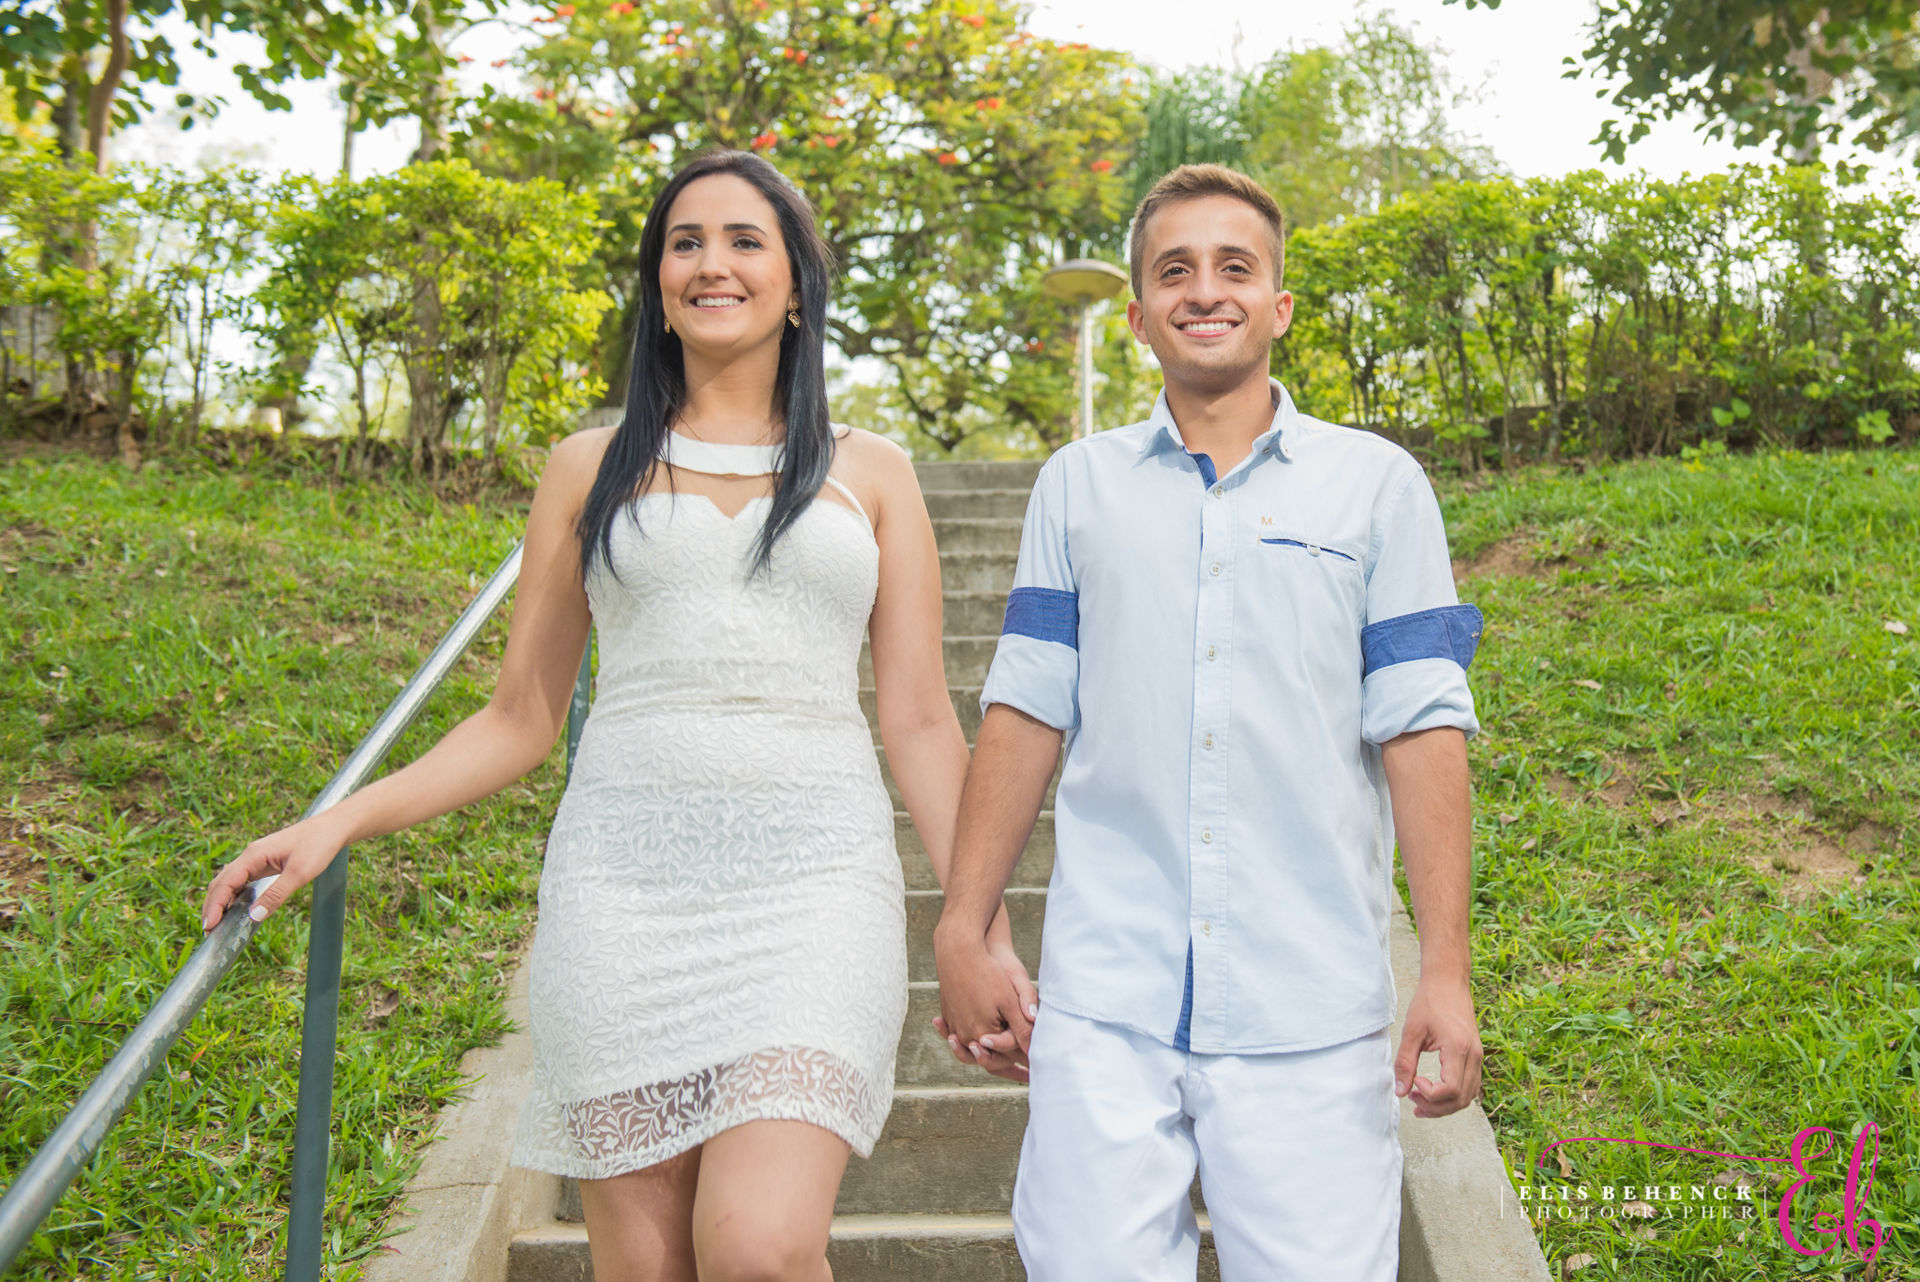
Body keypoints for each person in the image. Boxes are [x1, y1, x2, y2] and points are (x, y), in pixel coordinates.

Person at [200, 149, 1034, 1282]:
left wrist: (973, 925)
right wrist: (336, 821)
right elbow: (520, 716)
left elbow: (925, 722)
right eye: (684, 242)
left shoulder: (869, 473)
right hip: (623, 889)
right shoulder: (588, 466)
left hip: (813, 886)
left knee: (761, 1249)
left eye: (745, 240)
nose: (711, 263)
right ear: (657, 284)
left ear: (797, 281)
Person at [931, 163, 1486, 1280]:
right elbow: (1027, 707)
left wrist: (1446, 970)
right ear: (1138, 314)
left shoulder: (1378, 486)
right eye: (1174, 269)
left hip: (1310, 1006)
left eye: (1237, 266)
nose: (1205, 289)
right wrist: (962, 925)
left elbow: (1421, 725)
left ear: (1279, 304)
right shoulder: (1075, 487)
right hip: (1104, 1003)